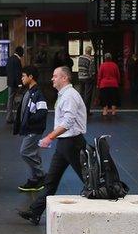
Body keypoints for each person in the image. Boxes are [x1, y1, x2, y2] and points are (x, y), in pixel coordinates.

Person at [18, 66, 87, 225]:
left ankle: (102, 201)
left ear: (65, 78)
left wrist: (50, 137)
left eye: (55, 76)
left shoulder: (70, 95)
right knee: (51, 181)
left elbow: (68, 122)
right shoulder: (64, 95)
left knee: (86, 177)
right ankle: (34, 212)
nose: (52, 79)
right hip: (64, 143)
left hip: (72, 143)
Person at [14, 65, 48, 192]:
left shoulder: (37, 93)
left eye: (23, 76)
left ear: (31, 77)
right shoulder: (30, 92)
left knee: (25, 152)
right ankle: (35, 180)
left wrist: (29, 121)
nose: (21, 78)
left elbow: (43, 111)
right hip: (30, 129)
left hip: (34, 130)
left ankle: (41, 175)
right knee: (33, 153)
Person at [97, 53, 121, 118]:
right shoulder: (115, 65)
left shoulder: (102, 65)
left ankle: (105, 111)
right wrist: (118, 82)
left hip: (104, 85)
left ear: (105, 58)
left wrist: (98, 84)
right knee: (114, 98)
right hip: (114, 84)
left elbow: (99, 76)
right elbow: (118, 75)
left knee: (104, 98)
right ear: (111, 58)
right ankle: (113, 111)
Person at [5, 45, 24, 124]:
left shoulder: (10, 58)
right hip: (16, 83)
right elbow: (17, 73)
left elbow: (7, 70)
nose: (23, 55)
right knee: (20, 99)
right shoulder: (17, 60)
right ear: (20, 52)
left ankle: (9, 117)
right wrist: (19, 84)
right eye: (22, 53)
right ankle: (20, 116)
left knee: (10, 100)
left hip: (10, 82)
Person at [76, 46, 95, 115]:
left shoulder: (80, 57)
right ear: (90, 51)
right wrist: (92, 77)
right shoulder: (91, 59)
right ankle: (86, 111)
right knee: (88, 95)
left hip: (80, 77)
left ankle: (80, 110)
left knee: (81, 93)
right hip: (87, 78)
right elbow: (91, 70)